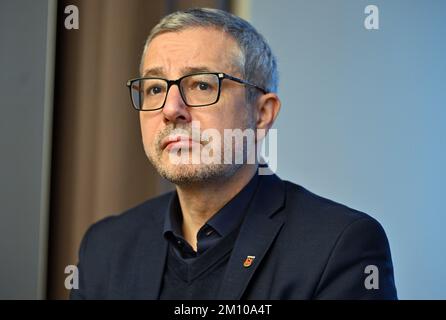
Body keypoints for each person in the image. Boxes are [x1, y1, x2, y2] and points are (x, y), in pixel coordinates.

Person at [70, 8, 397, 300]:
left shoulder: (339, 247)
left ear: (262, 113)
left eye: (201, 85)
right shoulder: (105, 247)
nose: (171, 109)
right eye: (155, 88)